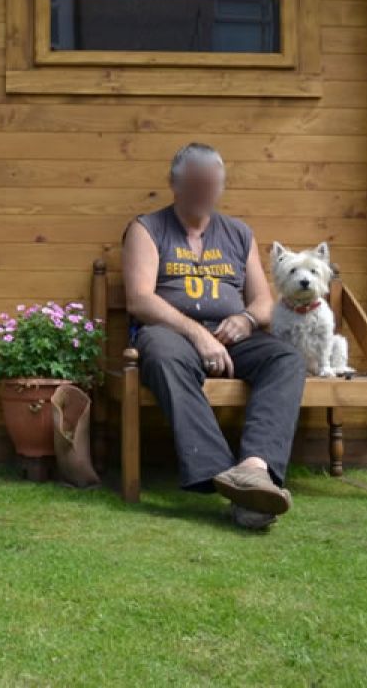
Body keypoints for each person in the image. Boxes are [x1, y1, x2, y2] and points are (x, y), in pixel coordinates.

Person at [120, 142, 306, 530]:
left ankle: (255, 470)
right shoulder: (147, 228)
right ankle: (221, 471)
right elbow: (139, 299)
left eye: (213, 185)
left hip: (232, 335)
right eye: (197, 184)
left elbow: (263, 302)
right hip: (170, 332)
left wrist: (247, 320)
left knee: (286, 359)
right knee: (164, 355)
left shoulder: (239, 233)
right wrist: (196, 334)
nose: (206, 193)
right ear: (175, 184)